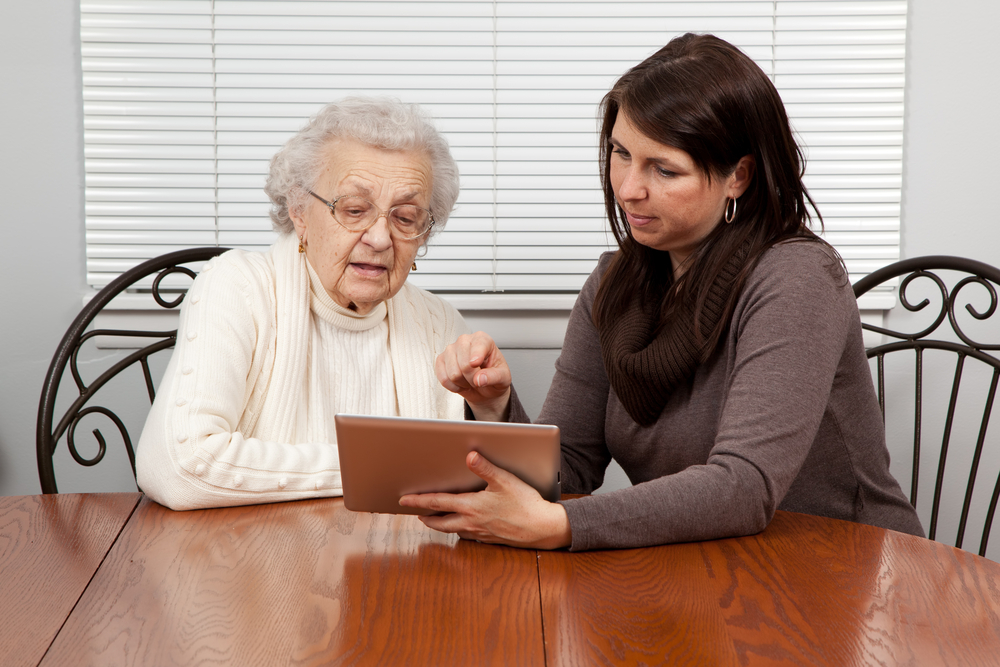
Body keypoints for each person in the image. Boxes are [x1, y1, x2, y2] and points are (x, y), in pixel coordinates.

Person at [400, 34, 925, 550]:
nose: (628, 188)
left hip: (848, 570)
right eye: (621, 154)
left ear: (738, 176)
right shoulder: (613, 283)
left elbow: (743, 488)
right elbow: (566, 471)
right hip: (711, 567)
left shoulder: (797, 279)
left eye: (664, 169)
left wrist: (564, 526)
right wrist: (493, 406)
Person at [136, 97, 509, 510]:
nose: (381, 238)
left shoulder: (438, 322)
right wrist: (388, 468)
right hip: (252, 560)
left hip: (402, 566)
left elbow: (488, 487)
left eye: (405, 218)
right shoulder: (239, 287)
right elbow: (179, 467)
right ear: (299, 211)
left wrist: (490, 408)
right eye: (354, 209)